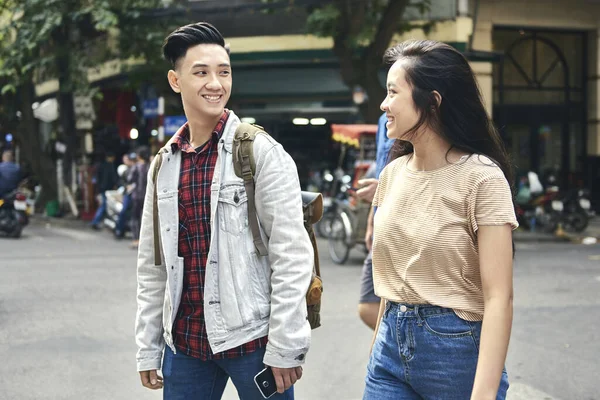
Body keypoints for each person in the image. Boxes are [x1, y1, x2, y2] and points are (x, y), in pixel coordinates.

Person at [135, 22, 313, 400]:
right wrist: (148, 346)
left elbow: (291, 253)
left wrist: (286, 344)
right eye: (201, 72)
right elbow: (153, 266)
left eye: (223, 71)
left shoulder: (260, 151)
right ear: (175, 80)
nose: (215, 83)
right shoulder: (163, 165)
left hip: (254, 341)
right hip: (185, 346)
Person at [363, 40, 518, 400]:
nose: (384, 104)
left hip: (456, 355)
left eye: (392, 92)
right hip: (388, 351)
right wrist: (376, 354)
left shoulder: (482, 177)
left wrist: (483, 394)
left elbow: (499, 298)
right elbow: (391, 285)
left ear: (432, 101)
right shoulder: (392, 174)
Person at [354, 113, 394, 330]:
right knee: (370, 304)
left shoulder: (422, 122)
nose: (385, 103)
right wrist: (371, 220)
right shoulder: (383, 121)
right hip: (382, 221)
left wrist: (386, 189)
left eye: (394, 91)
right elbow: (381, 170)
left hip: (400, 227)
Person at [90, 152, 118, 229]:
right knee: (104, 205)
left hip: (102, 188)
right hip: (107, 189)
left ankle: (99, 221)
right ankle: (95, 221)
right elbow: (112, 177)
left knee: (104, 205)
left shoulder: (101, 165)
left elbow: (97, 177)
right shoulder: (110, 166)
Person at [129, 147, 150, 248]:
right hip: (147, 196)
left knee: (135, 218)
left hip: (137, 196)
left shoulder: (136, 167)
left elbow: (130, 179)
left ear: (139, 156)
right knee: (146, 218)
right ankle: (145, 240)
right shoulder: (150, 166)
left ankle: (136, 239)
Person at [115, 152, 137, 238]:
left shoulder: (139, 168)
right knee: (123, 211)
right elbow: (121, 181)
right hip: (128, 194)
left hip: (137, 194)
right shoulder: (126, 171)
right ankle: (119, 230)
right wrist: (126, 186)